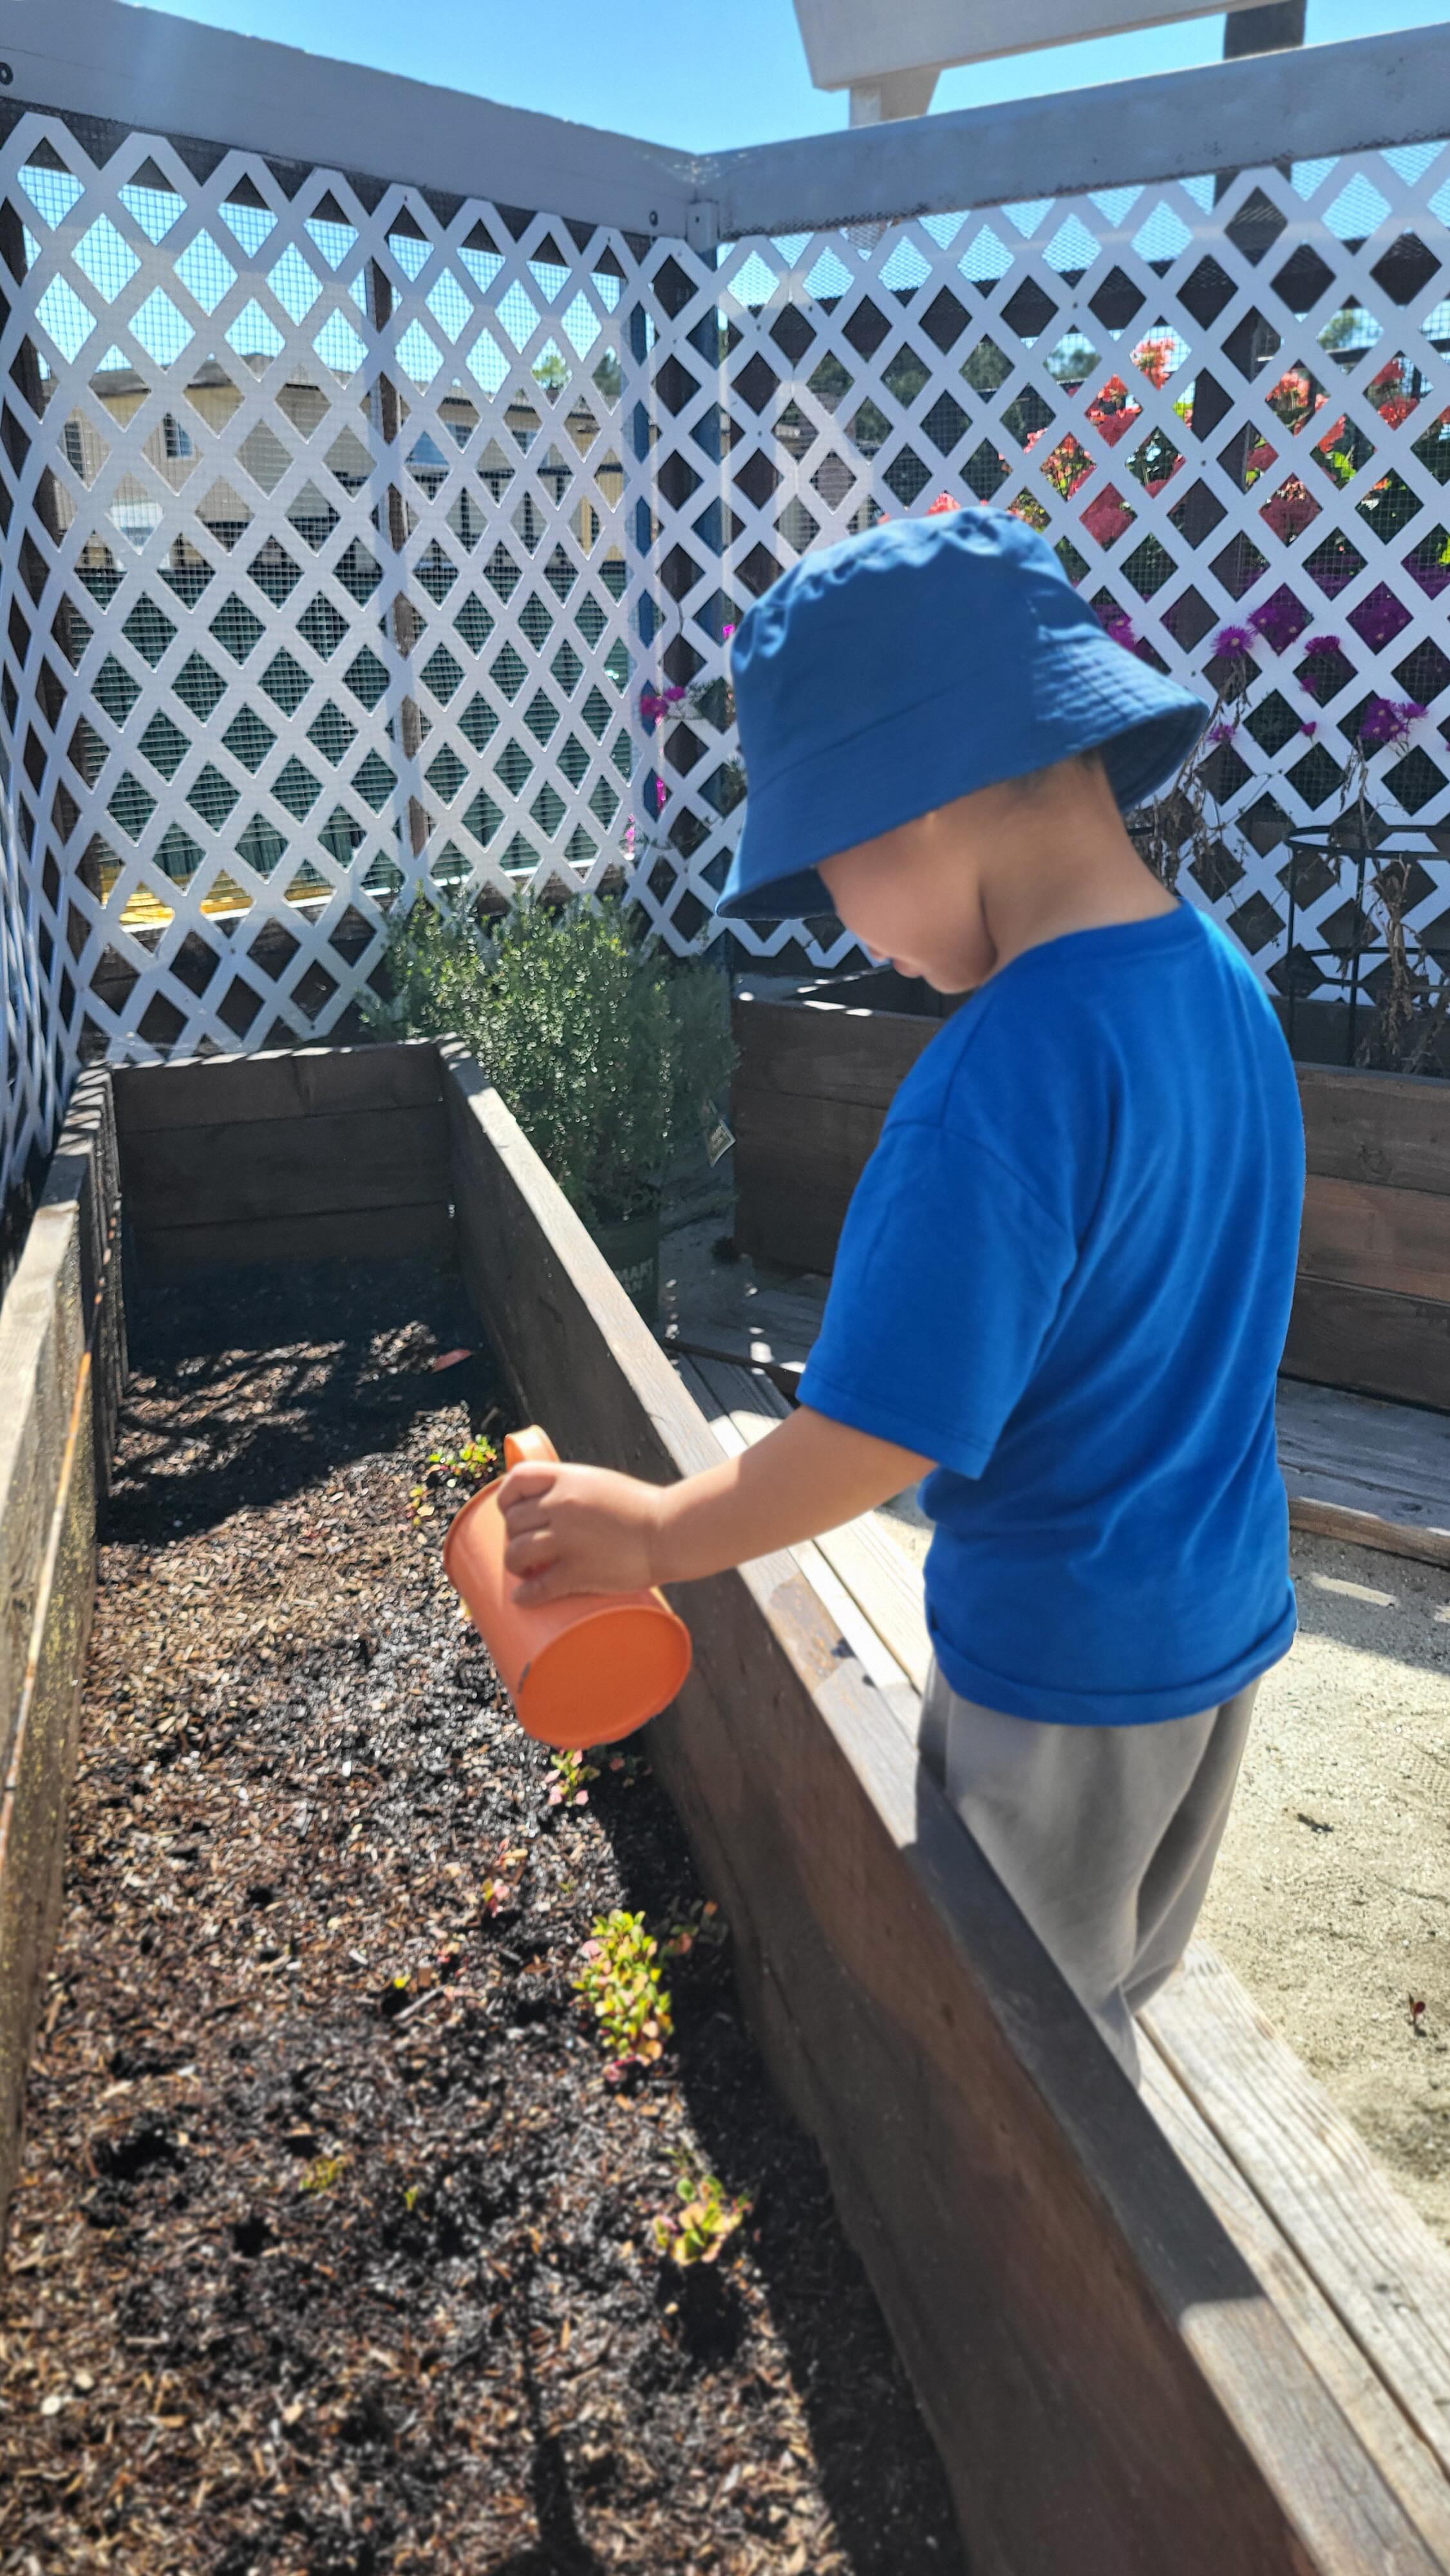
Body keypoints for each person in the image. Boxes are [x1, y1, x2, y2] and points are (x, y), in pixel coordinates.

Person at [497, 509, 1305, 2081]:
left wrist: (659, 1531)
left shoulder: (994, 1084)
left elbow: (870, 1436)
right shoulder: (1225, 982)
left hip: (1059, 1661)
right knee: (1117, 1976)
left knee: (1028, 2076)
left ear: (919, 807)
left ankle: (1065, 2326)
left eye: (833, 875)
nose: (842, 927)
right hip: (1216, 1618)